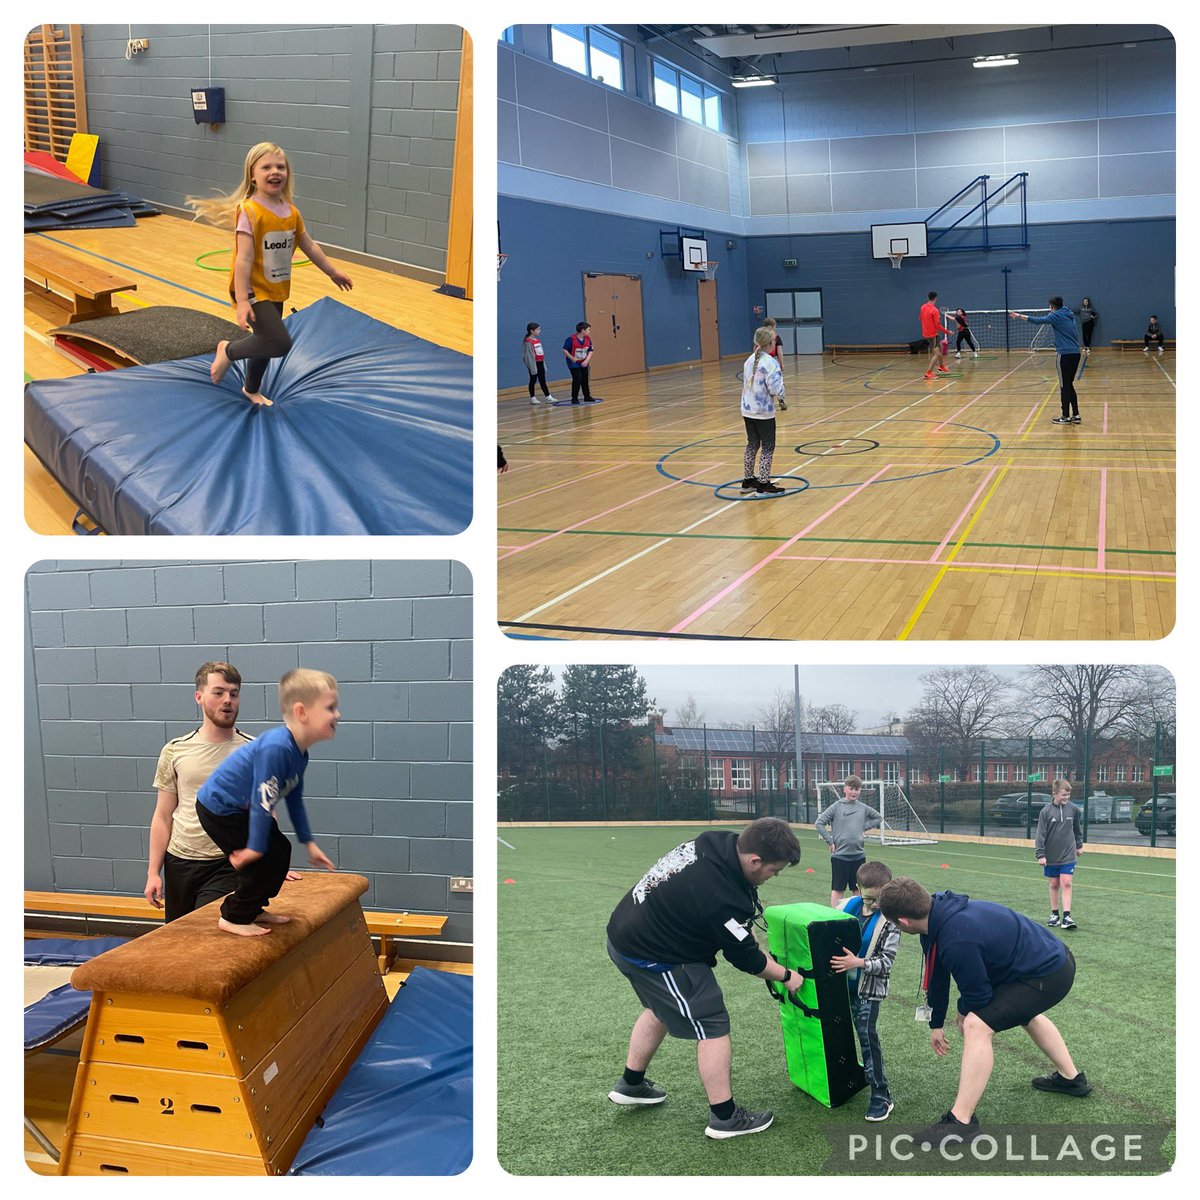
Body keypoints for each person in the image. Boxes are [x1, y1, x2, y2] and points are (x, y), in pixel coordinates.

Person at [606, 818, 805, 1139]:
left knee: (662, 1007)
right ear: (755, 861)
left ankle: (631, 1084)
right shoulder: (721, 895)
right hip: (655, 952)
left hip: (624, 932)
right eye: (775, 869)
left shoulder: (717, 842)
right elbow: (747, 959)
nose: (776, 875)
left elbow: (734, 919)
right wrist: (786, 976)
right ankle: (724, 1117)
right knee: (712, 1023)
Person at [877, 877, 1093, 1147]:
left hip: (1049, 972)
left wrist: (964, 1011)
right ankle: (1071, 1079)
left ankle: (961, 1122)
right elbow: (938, 974)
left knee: (976, 1026)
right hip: (1039, 961)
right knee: (1020, 1013)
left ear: (904, 921)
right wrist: (936, 1023)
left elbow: (978, 995)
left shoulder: (955, 938)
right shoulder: (936, 913)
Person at [189, 142, 353, 406]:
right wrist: (242, 300)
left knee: (265, 342)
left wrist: (332, 272)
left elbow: (308, 244)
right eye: (266, 167)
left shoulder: (291, 211)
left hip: (276, 287)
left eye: (280, 166)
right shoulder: (250, 211)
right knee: (278, 343)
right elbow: (243, 258)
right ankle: (228, 350)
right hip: (252, 288)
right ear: (252, 175)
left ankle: (251, 389)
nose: (274, 171)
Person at [195, 669, 339, 936]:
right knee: (262, 861)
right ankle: (234, 916)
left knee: (280, 850)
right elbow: (262, 803)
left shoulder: (299, 753)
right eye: (330, 708)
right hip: (219, 808)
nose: (337, 715)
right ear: (302, 712)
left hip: (240, 807)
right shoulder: (277, 748)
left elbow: (294, 798)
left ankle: (254, 908)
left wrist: (309, 844)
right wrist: (253, 849)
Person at [146, 662, 254, 922]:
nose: (227, 700)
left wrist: (271, 862)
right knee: (179, 939)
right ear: (199, 697)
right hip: (180, 862)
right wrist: (153, 872)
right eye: (218, 692)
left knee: (208, 928)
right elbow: (163, 815)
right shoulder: (174, 750)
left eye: (234, 693)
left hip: (226, 862)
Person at [831, 860, 900, 1121]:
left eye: (879, 898)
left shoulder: (891, 921)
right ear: (857, 889)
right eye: (868, 898)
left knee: (867, 1038)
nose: (873, 904)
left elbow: (886, 963)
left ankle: (881, 1095)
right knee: (840, 1034)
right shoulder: (846, 906)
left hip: (868, 991)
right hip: (840, 986)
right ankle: (848, 1078)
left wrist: (857, 963)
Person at [814, 775, 882, 908]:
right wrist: (830, 841)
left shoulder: (862, 807)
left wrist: (863, 827)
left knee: (857, 888)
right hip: (840, 856)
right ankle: (834, 915)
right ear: (845, 789)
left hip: (859, 855)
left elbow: (878, 817)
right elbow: (819, 823)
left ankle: (857, 913)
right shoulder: (836, 807)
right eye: (851, 789)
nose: (854, 792)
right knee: (838, 888)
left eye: (857, 789)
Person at [1010, 298, 1081, 425]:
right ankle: (1076, 414)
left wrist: (1019, 315)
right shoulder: (1069, 314)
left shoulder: (1056, 316)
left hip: (1064, 354)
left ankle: (1065, 416)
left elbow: (1038, 321)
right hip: (1076, 353)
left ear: (1051, 306)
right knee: (1069, 384)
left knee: (1064, 386)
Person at [739, 327, 786, 496]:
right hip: (763, 412)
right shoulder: (770, 363)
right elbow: (775, 388)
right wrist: (782, 394)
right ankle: (763, 483)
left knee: (752, 444)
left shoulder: (749, 360)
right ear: (770, 343)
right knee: (767, 446)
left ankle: (748, 480)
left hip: (747, 409)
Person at [1036, 778, 1083, 930]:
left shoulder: (1074, 809)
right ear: (1054, 794)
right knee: (1054, 883)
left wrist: (1079, 845)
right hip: (1051, 856)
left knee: (1066, 882)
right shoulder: (1046, 812)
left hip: (1068, 854)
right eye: (1063, 795)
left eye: (1068, 795)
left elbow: (1077, 829)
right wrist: (1040, 854)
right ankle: (1054, 914)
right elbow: (1040, 834)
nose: (1066, 798)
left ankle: (1067, 916)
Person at [562, 321, 597, 403]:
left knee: (585, 379)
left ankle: (587, 396)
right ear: (582, 330)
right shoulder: (571, 339)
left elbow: (591, 350)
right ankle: (574, 398)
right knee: (577, 379)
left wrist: (587, 360)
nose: (589, 331)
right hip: (574, 363)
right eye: (588, 329)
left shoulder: (588, 339)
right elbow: (564, 350)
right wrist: (572, 358)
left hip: (584, 362)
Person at [920, 291, 950, 380]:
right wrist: (948, 332)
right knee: (936, 354)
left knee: (940, 346)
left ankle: (941, 367)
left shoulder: (923, 307)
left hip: (928, 333)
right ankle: (928, 373)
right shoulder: (934, 310)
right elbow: (938, 325)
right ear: (936, 298)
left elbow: (920, 318)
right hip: (931, 334)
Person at [523, 322, 555, 403]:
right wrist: (532, 367)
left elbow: (540, 353)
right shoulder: (528, 342)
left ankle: (548, 397)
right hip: (534, 364)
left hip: (540, 363)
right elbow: (528, 356)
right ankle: (533, 398)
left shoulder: (537, 340)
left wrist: (543, 364)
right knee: (533, 380)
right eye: (538, 329)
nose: (539, 331)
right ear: (532, 331)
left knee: (543, 380)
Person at [761, 317, 787, 408]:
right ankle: (781, 400)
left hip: (761, 360)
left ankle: (762, 401)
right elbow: (779, 351)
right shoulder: (776, 337)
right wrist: (781, 363)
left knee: (762, 381)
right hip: (772, 360)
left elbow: (755, 349)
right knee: (777, 381)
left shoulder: (759, 336)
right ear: (774, 326)